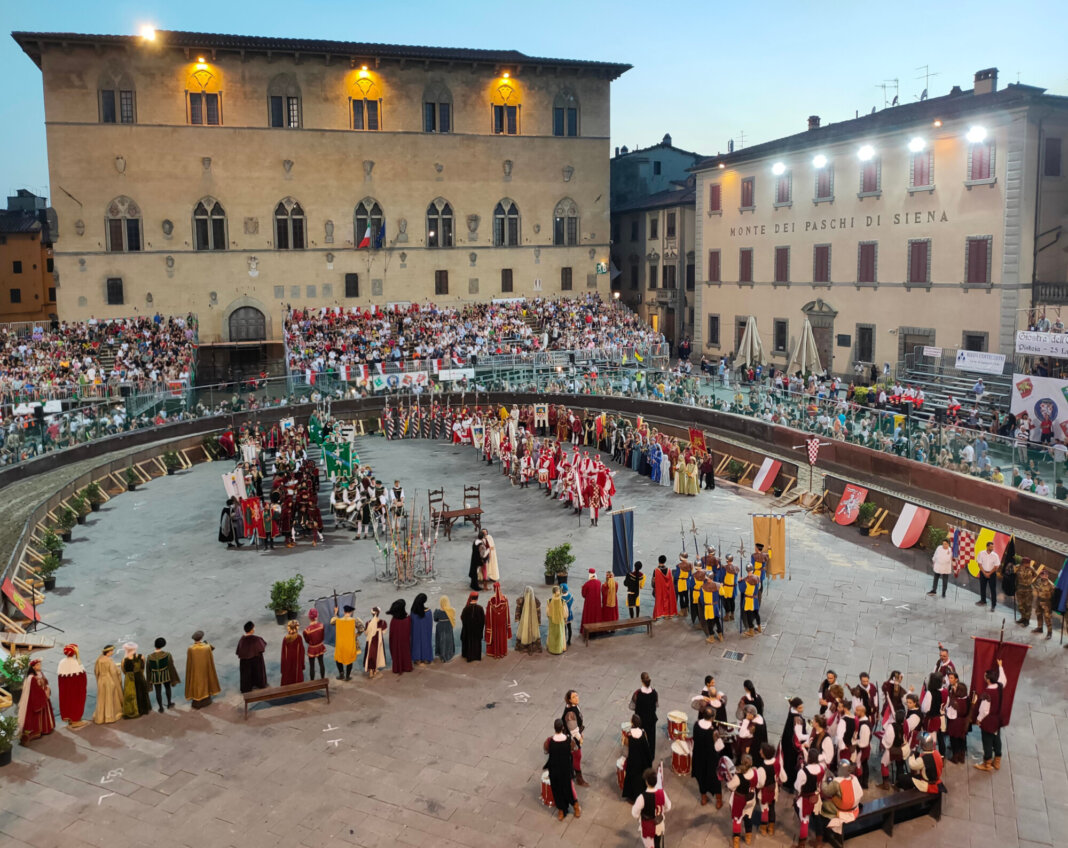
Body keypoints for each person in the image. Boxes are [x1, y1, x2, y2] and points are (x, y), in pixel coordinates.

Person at [544, 718, 581, 820]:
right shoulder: (569, 741)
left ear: (555, 728)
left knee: (557, 790)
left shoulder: (549, 741)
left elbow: (546, 750)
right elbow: (574, 749)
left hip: (554, 769)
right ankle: (575, 806)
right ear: (563, 727)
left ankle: (562, 809)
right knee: (567, 788)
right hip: (565, 769)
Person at [975, 659, 1007, 771]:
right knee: (997, 739)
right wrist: (1000, 667)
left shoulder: (987, 693)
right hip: (997, 719)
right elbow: (1003, 679)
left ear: (988, 680)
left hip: (988, 721)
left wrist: (979, 719)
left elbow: (984, 710)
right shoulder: (999, 686)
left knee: (987, 742)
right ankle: (997, 761)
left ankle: (987, 763)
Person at [819, 759, 863, 841]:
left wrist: (824, 780)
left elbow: (826, 791)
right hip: (855, 808)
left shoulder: (837, 782)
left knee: (822, 805)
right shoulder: (854, 777)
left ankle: (825, 834)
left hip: (843, 810)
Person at [17, 659, 55, 743]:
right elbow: (35, 690)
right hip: (36, 700)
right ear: (34, 667)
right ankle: (34, 733)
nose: (40, 666)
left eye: (40, 664)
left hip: (44, 697)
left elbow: (45, 682)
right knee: (35, 717)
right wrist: (45, 692)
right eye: (38, 665)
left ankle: (45, 729)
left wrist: (47, 687)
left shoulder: (40, 674)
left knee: (44, 714)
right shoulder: (32, 678)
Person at [631, 767, 671, 848]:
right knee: (657, 844)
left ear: (646, 782)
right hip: (659, 824)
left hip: (647, 827)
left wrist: (640, 817)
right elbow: (668, 806)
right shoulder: (662, 793)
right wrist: (661, 812)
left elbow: (634, 813)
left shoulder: (642, 797)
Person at [725, 754, 758, 848]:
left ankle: (736, 841)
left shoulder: (738, 777)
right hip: (750, 800)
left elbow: (730, 786)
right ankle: (748, 838)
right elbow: (758, 784)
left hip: (739, 801)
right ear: (751, 763)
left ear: (741, 762)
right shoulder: (755, 773)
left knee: (737, 819)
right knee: (748, 817)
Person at [691, 706, 721, 807]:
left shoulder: (696, 724)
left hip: (699, 756)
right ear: (712, 718)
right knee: (715, 778)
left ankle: (703, 798)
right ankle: (718, 801)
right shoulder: (713, 731)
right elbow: (718, 747)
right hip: (710, 758)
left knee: (701, 776)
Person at [56, 643, 90, 729]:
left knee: (67, 702)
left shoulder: (61, 662)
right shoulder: (75, 663)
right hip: (75, 689)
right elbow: (82, 677)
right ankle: (75, 720)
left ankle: (69, 719)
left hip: (65, 690)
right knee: (76, 702)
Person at [185, 631, 221, 709]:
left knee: (197, 684)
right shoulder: (206, 647)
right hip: (205, 669)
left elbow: (189, 661)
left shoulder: (191, 649)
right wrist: (206, 643)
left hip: (195, 671)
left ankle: (197, 701)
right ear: (201, 638)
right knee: (206, 682)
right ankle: (206, 699)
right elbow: (212, 648)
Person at [622, 714, 653, 802]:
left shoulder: (629, 735)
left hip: (632, 761)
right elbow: (646, 749)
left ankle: (632, 797)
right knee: (640, 780)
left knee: (632, 779)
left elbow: (626, 748)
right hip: (641, 761)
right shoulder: (643, 734)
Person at [146, 638, 180, 713]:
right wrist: (173, 678)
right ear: (163, 645)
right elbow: (171, 665)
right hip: (166, 675)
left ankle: (161, 708)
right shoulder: (167, 655)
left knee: (158, 692)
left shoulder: (149, 657)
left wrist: (149, 681)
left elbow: (148, 670)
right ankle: (169, 703)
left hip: (155, 677)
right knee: (168, 688)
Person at [630, 672, 660, 758]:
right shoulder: (654, 693)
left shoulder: (637, 694)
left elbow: (633, 707)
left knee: (642, 739)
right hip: (651, 720)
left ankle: (642, 755)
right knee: (651, 739)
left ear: (641, 681)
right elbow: (655, 706)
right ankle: (651, 755)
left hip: (641, 721)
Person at [92, 645, 124, 724]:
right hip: (109, 680)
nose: (112, 652)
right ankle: (109, 717)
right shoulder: (109, 660)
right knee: (110, 698)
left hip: (101, 680)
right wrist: (118, 674)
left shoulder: (99, 660)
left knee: (102, 698)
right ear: (108, 652)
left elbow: (96, 671)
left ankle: (100, 717)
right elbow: (113, 672)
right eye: (112, 651)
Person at [562, 690, 588, 786]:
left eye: (577, 695)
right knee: (577, 755)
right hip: (572, 738)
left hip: (575, 734)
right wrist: (580, 738)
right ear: (569, 700)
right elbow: (573, 730)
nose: (577, 698)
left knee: (572, 756)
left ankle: (570, 772)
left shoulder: (574, 706)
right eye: (573, 697)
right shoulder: (570, 714)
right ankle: (579, 778)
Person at [944, 671, 970, 764]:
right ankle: (962, 757)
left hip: (955, 723)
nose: (950, 680)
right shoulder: (966, 698)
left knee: (954, 739)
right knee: (962, 739)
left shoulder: (956, 702)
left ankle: (955, 757)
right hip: (963, 722)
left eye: (951, 678)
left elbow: (950, 714)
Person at [120, 643, 151, 719]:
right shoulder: (141, 657)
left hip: (130, 679)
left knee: (131, 695)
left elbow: (123, 670)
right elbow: (143, 666)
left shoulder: (124, 660)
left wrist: (129, 675)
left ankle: (133, 711)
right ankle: (143, 709)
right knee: (141, 692)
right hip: (139, 676)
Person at [235, 622, 268, 693]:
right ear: (252, 630)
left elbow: (239, 651)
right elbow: (262, 647)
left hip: (245, 661)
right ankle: (259, 683)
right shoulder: (256, 639)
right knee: (257, 671)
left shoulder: (242, 640)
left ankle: (247, 687)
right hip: (256, 659)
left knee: (246, 674)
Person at [332, 605, 362, 680]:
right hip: (350, 643)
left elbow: (332, 621)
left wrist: (335, 612)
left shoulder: (338, 620)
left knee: (338, 659)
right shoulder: (354, 620)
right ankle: (347, 676)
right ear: (351, 612)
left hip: (340, 644)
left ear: (344, 612)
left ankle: (341, 674)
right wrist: (356, 635)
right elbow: (362, 628)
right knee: (350, 660)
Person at [485, 582, 512, 658]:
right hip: (502, 623)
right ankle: (502, 651)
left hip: (494, 623)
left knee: (495, 636)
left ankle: (495, 652)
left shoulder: (491, 601)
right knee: (502, 636)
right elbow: (507, 614)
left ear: (494, 589)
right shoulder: (505, 600)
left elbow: (488, 615)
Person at [388, 599, 413, 674]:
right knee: (405, 651)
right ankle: (407, 666)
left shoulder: (394, 620)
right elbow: (409, 631)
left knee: (396, 651)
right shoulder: (407, 618)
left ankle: (397, 667)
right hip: (405, 640)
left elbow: (391, 633)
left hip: (396, 640)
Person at [514, 585, 542, 654]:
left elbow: (518, 610)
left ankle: (524, 645)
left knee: (524, 631)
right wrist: (538, 621)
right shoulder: (536, 601)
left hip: (524, 621)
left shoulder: (521, 600)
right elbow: (538, 613)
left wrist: (517, 618)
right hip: (533, 621)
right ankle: (531, 645)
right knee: (532, 632)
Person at [361, 606, 387, 678]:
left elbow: (366, 633)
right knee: (377, 654)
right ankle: (375, 669)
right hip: (379, 640)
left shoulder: (368, 623)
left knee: (370, 654)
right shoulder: (383, 622)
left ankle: (371, 671)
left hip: (370, 641)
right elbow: (384, 632)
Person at [460, 592, 485, 662]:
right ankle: (476, 656)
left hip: (468, 630)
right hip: (477, 631)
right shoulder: (480, 608)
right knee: (476, 643)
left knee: (468, 643)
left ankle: (468, 656)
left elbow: (462, 618)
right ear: (477, 598)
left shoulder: (466, 608)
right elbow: (483, 620)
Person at [410, 593, 434, 665]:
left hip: (416, 632)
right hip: (425, 632)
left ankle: (417, 659)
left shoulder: (413, 612)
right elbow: (430, 626)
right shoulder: (428, 612)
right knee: (426, 640)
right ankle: (426, 658)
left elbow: (411, 625)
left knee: (416, 642)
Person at [303, 608, 326, 680]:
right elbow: (323, 637)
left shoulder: (306, 630)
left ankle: (312, 681)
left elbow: (307, 640)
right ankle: (323, 679)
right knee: (321, 663)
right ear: (316, 616)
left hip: (312, 648)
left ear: (309, 617)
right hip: (320, 646)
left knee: (312, 666)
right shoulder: (321, 626)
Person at [280, 619, 306, 685]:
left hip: (287, 661)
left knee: (288, 674)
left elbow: (283, 654)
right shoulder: (299, 637)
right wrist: (302, 665)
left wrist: (283, 668)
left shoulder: (285, 638)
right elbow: (302, 652)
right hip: (297, 661)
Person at [1033, 565, 1055, 638]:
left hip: (1047, 603)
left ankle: (1049, 633)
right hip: (1039, 600)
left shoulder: (1051, 585)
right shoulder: (1038, 581)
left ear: (1047, 576)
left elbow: (1053, 595)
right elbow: (1036, 588)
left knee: (1047, 618)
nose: (1044, 576)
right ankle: (1040, 628)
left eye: (1045, 575)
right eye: (1042, 575)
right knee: (1038, 614)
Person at [976, 540, 1000, 610]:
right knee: (982, 587)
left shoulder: (995, 555)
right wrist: (984, 573)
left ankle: (993, 605)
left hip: (992, 574)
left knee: (993, 589)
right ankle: (983, 601)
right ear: (987, 547)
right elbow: (979, 564)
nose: (992, 548)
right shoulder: (981, 553)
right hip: (983, 573)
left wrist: (989, 573)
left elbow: (996, 566)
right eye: (991, 547)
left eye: (993, 547)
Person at [579, 568, 603, 636]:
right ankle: (596, 630)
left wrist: (583, 588)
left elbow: (584, 595)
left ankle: (587, 630)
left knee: (589, 616)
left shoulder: (587, 584)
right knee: (596, 615)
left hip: (589, 603)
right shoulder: (599, 582)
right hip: (597, 602)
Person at [434, 596, 456, 662]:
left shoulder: (437, 611)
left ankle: (441, 655)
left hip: (440, 626)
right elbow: (453, 617)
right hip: (448, 626)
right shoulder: (452, 610)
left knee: (441, 640)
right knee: (449, 640)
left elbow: (435, 619)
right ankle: (449, 654)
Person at [546, 586, 567, 654]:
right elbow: (565, 613)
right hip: (560, 621)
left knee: (552, 634)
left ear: (553, 592)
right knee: (560, 634)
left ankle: (552, 649)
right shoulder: (562, 601)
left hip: (552, 620)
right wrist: (565, 618)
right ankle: (559, 649)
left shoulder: (549, 600)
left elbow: (548, 612)